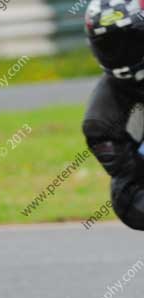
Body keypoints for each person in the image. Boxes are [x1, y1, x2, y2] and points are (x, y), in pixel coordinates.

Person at [83, 0, 144, 229]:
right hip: (137, 192)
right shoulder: (100, 122)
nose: (121, 53)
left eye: (131, 42)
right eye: (110, 46)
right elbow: (130, 173)